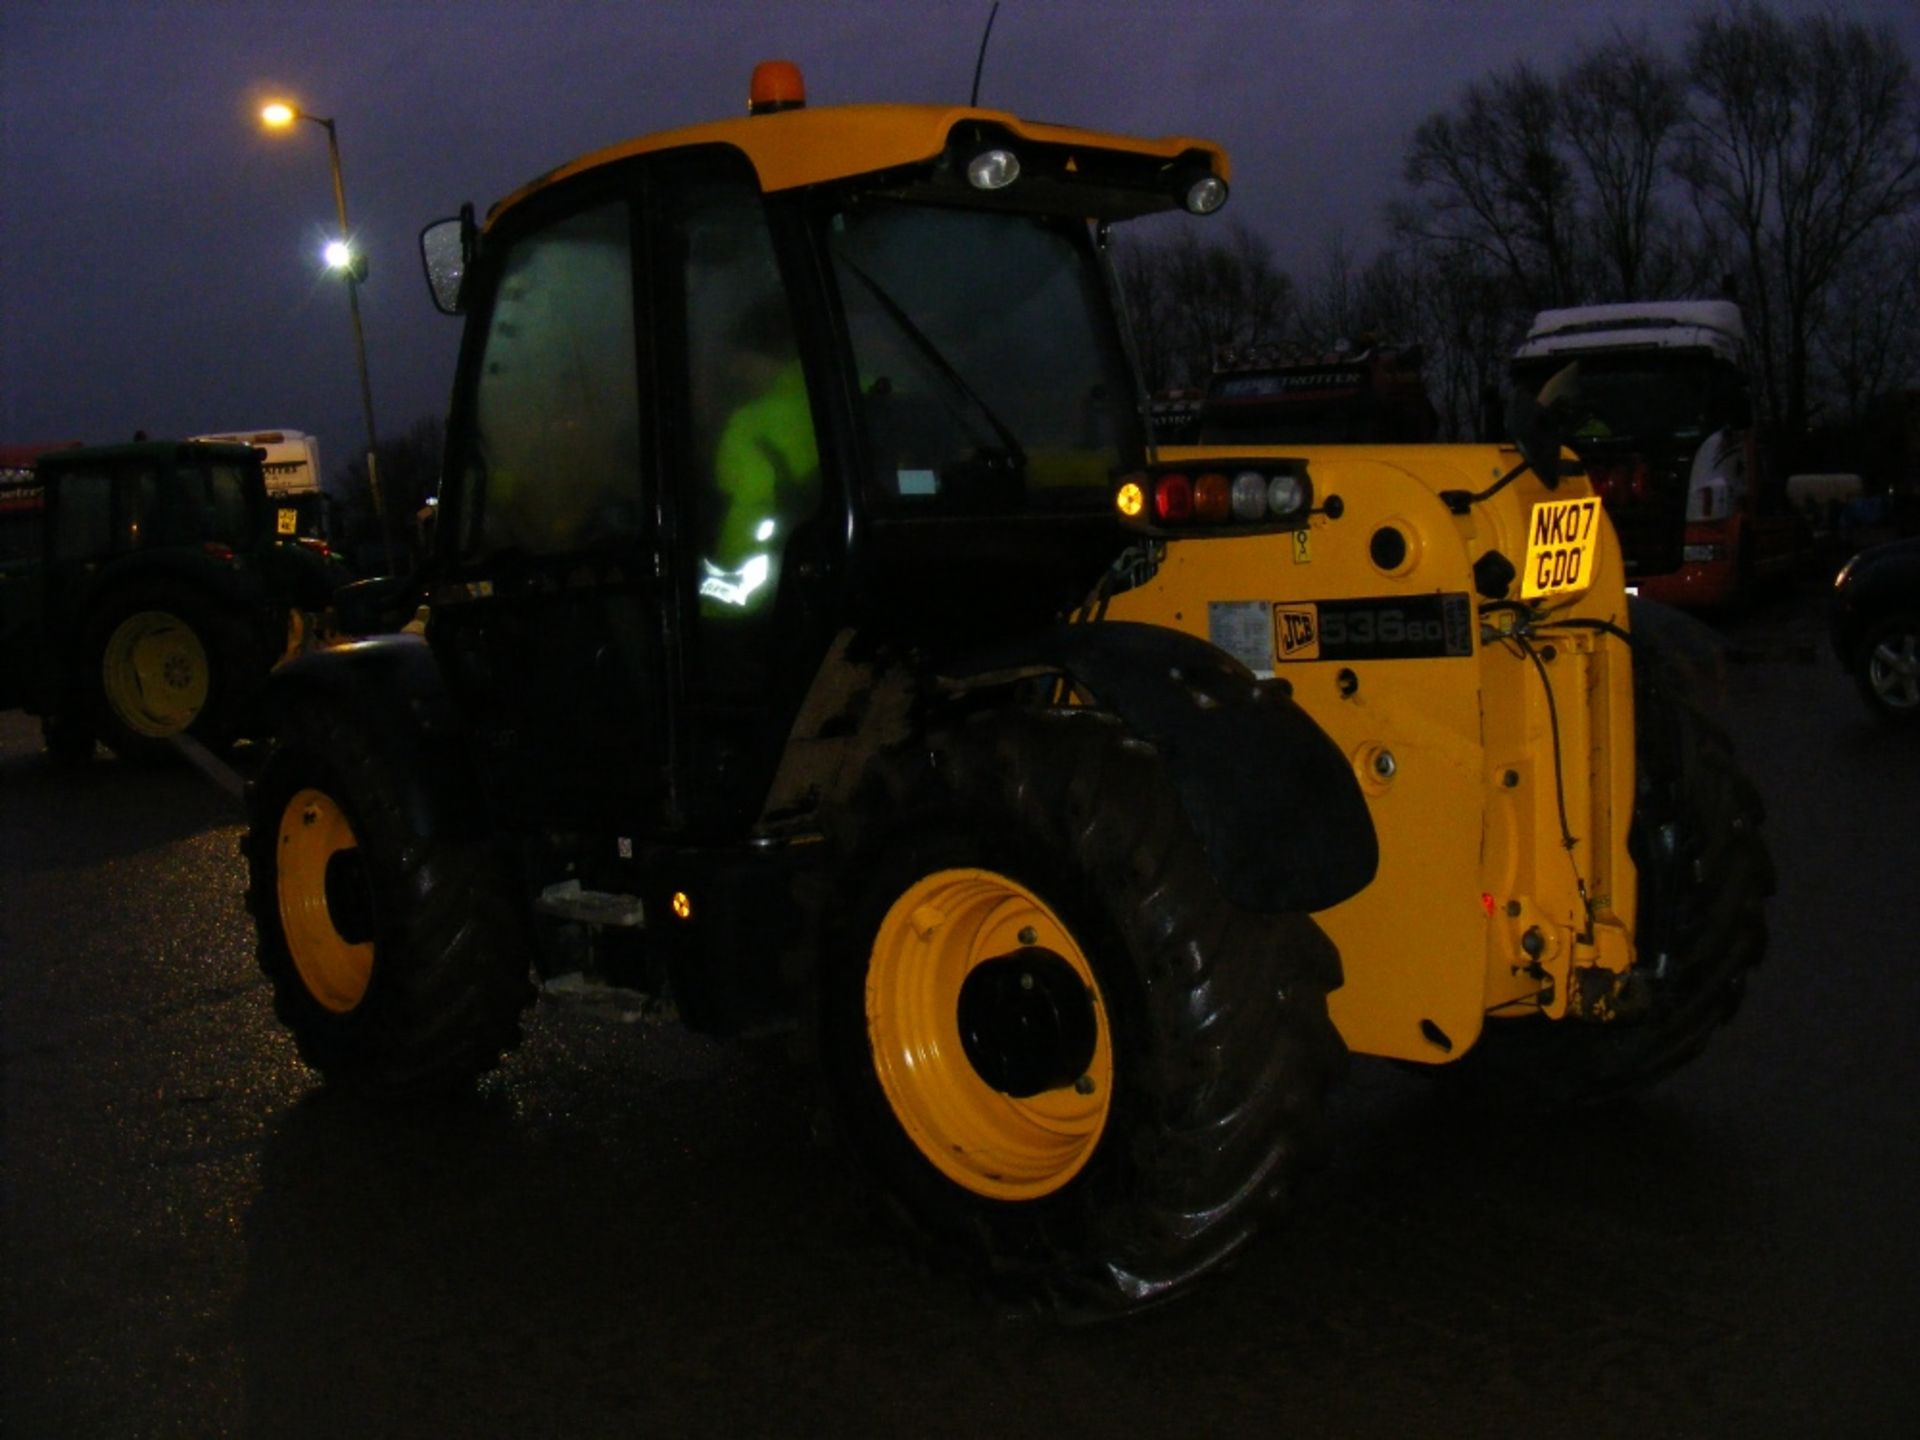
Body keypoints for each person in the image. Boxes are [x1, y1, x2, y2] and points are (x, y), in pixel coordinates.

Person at [699, 294, 818, 614]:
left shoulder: (750, 424)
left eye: (742, 360)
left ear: (766, 355)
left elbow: (738, 522)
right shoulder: (866, 394)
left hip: (761, 604)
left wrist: (711, 605)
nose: (737, 373)